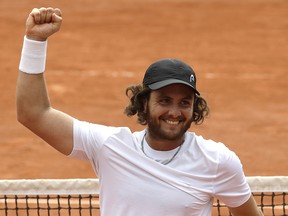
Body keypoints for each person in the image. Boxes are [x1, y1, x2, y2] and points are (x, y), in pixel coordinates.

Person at [16, 7, 263, 216]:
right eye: (165, 101)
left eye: (185, 103)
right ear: (144, 103)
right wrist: (35, 42)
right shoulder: (109, 146)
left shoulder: (218, 160)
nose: (175, 112)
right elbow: (33, 113)